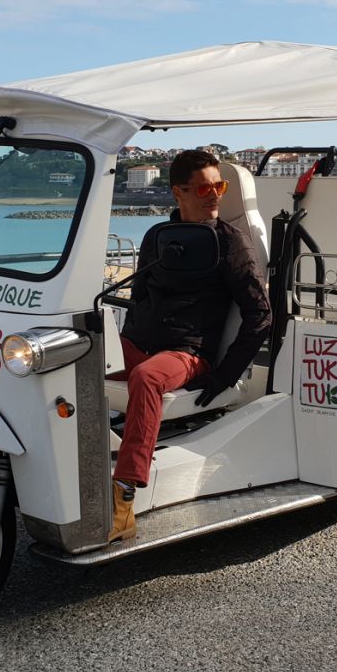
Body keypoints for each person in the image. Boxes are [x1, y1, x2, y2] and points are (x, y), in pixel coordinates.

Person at [110, 149, 272, 541]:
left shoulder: (230, 243)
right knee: (70, 357)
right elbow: (140, 297)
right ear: (178, 193)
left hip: (187, 352)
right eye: (203, 189)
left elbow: (260, 314)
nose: (214, 195)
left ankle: (123, 498)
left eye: (219, 186)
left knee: (147, 378)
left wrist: (225, 375)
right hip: (139, 342)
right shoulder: (157, 237)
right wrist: (119, 343)